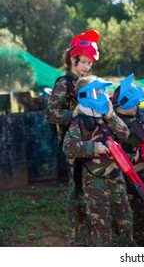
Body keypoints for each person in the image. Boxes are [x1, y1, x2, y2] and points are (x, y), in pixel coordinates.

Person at [62, 75, 135, 247]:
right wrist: (95, 148)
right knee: (100, 222)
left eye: (104, 91)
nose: (104, 95)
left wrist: (111, 116)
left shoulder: (106, 117)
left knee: (124, 216)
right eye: (98, 92)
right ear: (86, 96)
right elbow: (69, 147)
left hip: (115, 175)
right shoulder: (79, 122)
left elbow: (124, 135)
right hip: (94, 180)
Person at [44, 29, 100, 246]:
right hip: (73, 144)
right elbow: (50, 114)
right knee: (77, 188)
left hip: (91, 142)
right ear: (72, 59)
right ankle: (78, 238)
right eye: (83, 62)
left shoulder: (86, 82)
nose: (86, 67)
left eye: (89, 63)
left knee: (91, 187)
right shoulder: (64, 84)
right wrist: (73, 113)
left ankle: (93, 233)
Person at [111, 73, 144, 246]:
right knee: (131, 212)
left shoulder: (137, 116)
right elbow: (114, 150)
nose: (138, 106)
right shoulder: (115, 123)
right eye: (135, 102)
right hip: (128, 176)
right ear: (125, 102)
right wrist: (134, 155)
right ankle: (132, 242)